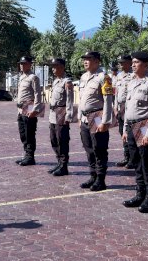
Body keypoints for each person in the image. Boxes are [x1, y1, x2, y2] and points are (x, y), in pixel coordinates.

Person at [122, 51, 148, 213]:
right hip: (132, 128)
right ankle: (140, 194)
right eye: (132, 62)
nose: (132, 65)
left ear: (146, 65)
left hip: (145, 128)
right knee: (137, 164)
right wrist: (125, 129)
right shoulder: (132, 83)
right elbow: (128, 107)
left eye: (136, 62)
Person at [78, 51, 114, 191]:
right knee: (89, 150)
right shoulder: (83, 77)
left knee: (99, 150)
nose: (85, 61)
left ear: (97, 61)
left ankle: (100, 179)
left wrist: (105, 122)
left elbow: (108, 100)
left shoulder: (104, 78)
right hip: (85, 118)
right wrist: (80, 118)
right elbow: (82, 100)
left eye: (89, 59)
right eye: (85, 59)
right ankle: (92, 176)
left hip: (97, 118)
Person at [46, 58, 73, 177]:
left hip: (62, 112)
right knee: (54, 139)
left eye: (55, 66)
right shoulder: (56, 81)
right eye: (52, 66)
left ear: (62, 67)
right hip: (53, 113)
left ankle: (64, 166)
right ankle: (59, 162)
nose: (53, 69)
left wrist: (69, 115)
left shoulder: (67, 82)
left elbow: (70, 100)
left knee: (62, 140)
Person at [15, 56, 43, 167]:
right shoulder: (22, 77)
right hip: (21, 109)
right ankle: (26, 154)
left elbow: (37, 95)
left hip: (29, 109)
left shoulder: (33, 77)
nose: (21, 65)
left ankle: (30, 156)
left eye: (24, 63)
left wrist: (35, 110)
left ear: (30, 64)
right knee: (22, 133)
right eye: (21, 63)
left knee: (29, 133)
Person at [113, 54, 133, 168]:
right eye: (120, 63)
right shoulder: (119, 76)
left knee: (130, 134)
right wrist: (115, 106)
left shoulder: (133, 75)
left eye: (123, 62)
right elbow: (116, 93)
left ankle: (132, 158)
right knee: (122, 133)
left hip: (129, 107)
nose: (120, 65)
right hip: (120, 108)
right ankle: (127, 156)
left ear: (129, 63)